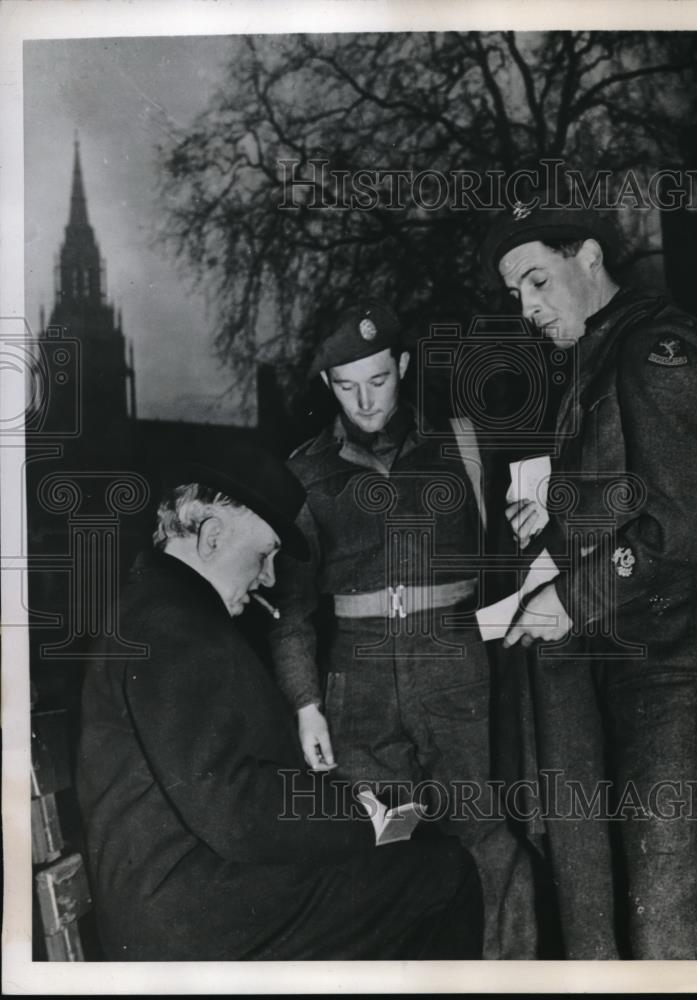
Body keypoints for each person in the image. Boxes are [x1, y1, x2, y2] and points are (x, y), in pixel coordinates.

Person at [76, 448, 484, 960]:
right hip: (194, 916)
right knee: (444, 874)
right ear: (213, 536)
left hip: (194, 894)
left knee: (416, 861)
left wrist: (353, 812)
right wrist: (364, 823)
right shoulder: (171, 623)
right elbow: (233, 809)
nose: (268, 577)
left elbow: (231, 784)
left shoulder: (164, 610)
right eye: (264, 554)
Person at [480, 197, 697, 959]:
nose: (527, 309)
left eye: (537, 281)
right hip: (621, 666)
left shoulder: (657, 349)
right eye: (515, 295)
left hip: (677, 673)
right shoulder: (591, 359)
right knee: (615, 904)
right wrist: (554, 524)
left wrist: (570, 596)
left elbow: (693, 520)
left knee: (668, 917)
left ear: (589, 257)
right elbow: (631, 493)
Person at [268, 298, 538, 959]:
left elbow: (515, 550)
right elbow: (293, 610)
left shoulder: (464, 447)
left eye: (379, 380)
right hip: (354, 679)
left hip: (455, 663)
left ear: (405, 366)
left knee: (486, 837)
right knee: (382, 842)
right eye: (345, 385)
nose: (364, 401)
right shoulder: (303, 474)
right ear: (326, 386)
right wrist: (305, 704)